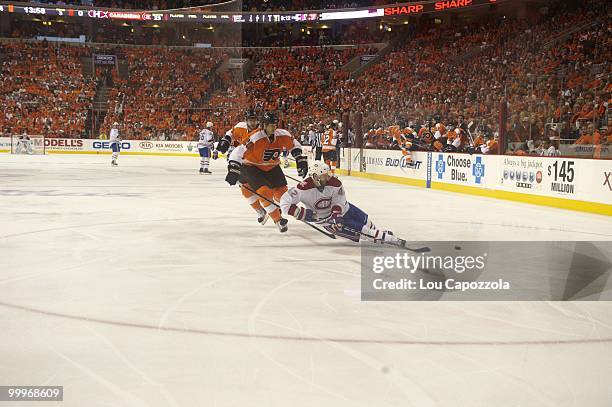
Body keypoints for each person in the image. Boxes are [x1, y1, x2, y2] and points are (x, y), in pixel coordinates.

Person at [280, 161, 401, 245]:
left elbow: (339, 201)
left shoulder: (335, 183)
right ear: (315, 177)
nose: (328, 178)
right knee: (363, 233)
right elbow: (284, 202)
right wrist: (301, 214)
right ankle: (391, 240)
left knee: (368, 224)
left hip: (346, 209)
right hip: (325, 220)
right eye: (324, 176)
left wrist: (336, 215)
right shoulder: (303, 188)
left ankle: (380, 235)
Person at [225, 112, 308, 233]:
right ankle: (278, 219)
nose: (273, 127)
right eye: (270, 125)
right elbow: (237, 152)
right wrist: (233, 167)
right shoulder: (255, 137)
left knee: (282, 194)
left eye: (275, 125)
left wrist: (299, 158)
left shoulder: (282, 134)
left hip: (272, 167)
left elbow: (294, 144)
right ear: (264, 125)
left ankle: (291, 211)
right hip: (251, 166)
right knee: (264, 192)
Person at [216, 109, 269, 224]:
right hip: (244, 163)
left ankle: (272, 208)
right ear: (246, 121)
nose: (253, 123)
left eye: (254, 120)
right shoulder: (240, 127)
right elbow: (230, 133)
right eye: (250, 120)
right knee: (245, 190)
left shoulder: (263, 131)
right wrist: (226, 140)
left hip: (260, 164)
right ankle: (261, 211)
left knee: (262, 188)